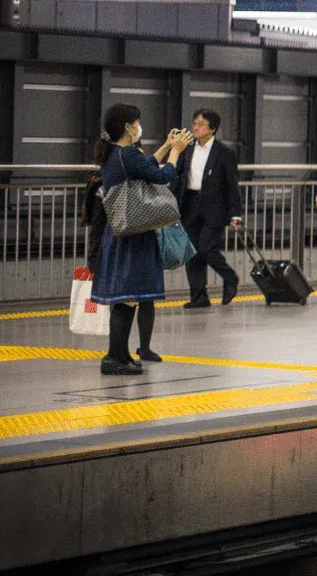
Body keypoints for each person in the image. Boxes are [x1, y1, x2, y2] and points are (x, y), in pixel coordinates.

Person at [90, 104, 194, 375]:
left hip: (125, 235)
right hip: (132, 237)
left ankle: (120, 355)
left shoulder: (118, 154)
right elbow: (162, 175)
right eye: (137, 122)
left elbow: (145, 166)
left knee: (128, 298)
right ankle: (114, 358)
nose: (139, 127)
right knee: (128, 298)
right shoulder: (125, 153)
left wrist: (164, 147)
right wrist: (176, 152)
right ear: (127, 126)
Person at [174, 108, 243, 307]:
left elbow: (232, 185)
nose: (195, 127)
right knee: (192, 253)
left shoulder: (225, 153)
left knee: (207, 248)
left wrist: (236, 213)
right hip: (190, 204)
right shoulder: (187, 149)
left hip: (215, 207)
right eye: (194, 123)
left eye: (201, 124)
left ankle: (230, 277)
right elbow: (178, 177)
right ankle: (199, 296)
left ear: (212, 129)